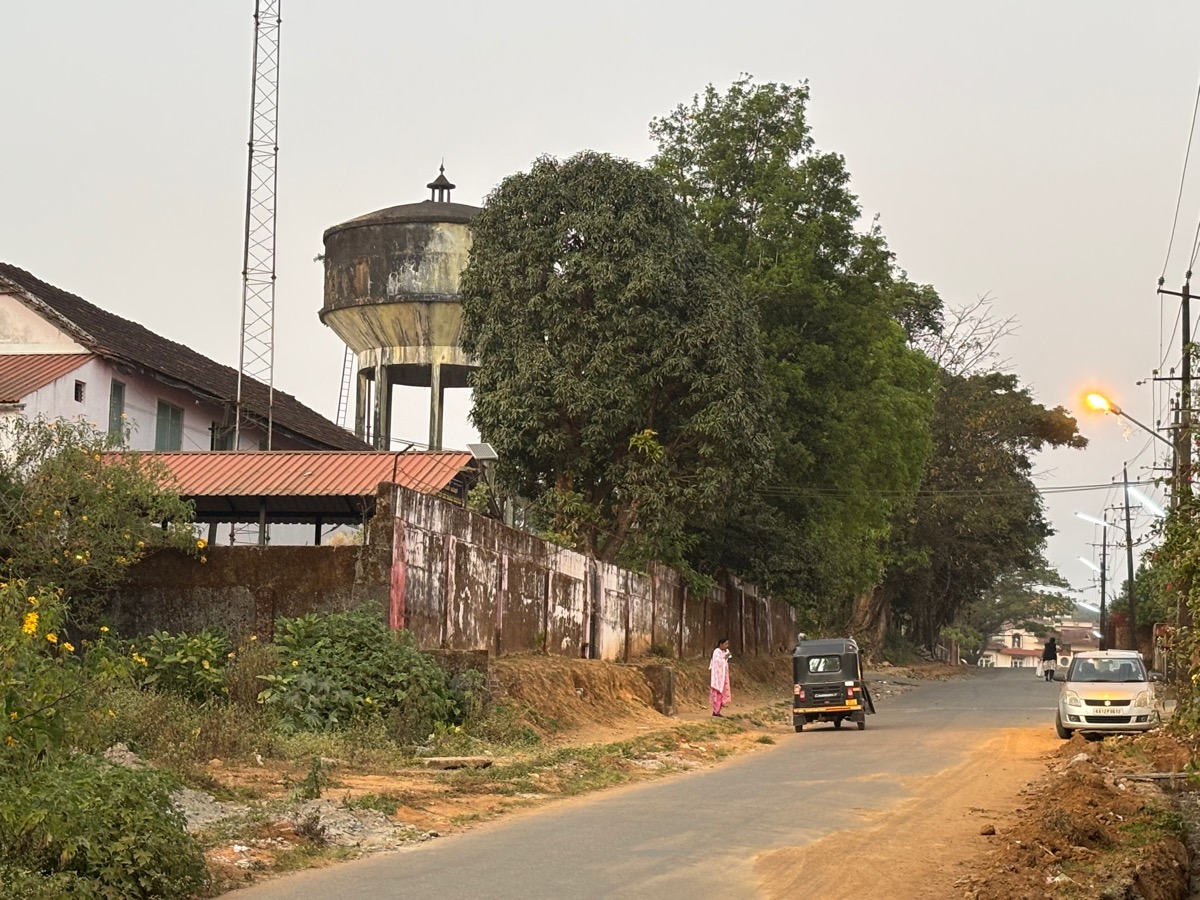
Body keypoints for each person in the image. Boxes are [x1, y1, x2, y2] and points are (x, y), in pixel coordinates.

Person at [709, 638, 732, 716]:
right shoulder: (716, 652)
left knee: (721, 693)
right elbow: (717, 663)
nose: (727, 646)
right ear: (721, 644)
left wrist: (726, 657)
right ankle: (715, 711)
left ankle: (718, 711)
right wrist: (725, 658)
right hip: (717, 676)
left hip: (723, 675)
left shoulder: (723, 652)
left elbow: (725, 661)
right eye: (725, 644)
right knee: (717, 693)